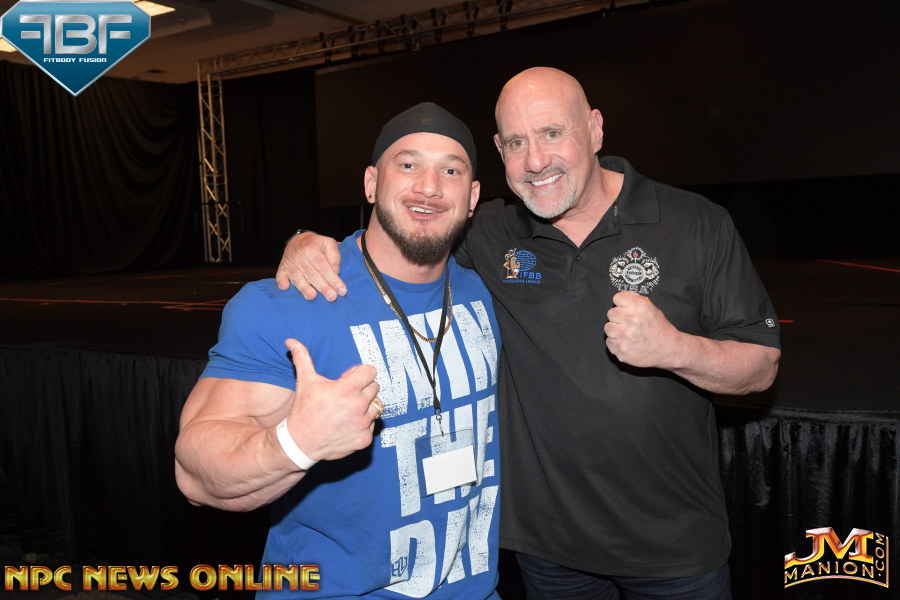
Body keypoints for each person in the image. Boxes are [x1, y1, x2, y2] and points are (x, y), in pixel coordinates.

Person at [276, 67, 781, 600]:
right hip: (548, 552)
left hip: (673, 546)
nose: (536, 161)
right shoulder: (491, 231)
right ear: (499, 150)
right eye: (516, 143)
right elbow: (408, 231)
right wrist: (306, 240)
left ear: (595, 129)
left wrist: (675, 349)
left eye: (552, 133)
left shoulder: (696, 223)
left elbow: (761, 366)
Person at [175, 102, 503, 599]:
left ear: (473, 196)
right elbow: (195, 475)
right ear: (371, 183)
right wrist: (295, 442)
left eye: (451, 171)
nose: (429, 186)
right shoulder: (290, 304)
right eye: (408, 164)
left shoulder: (485, 290)